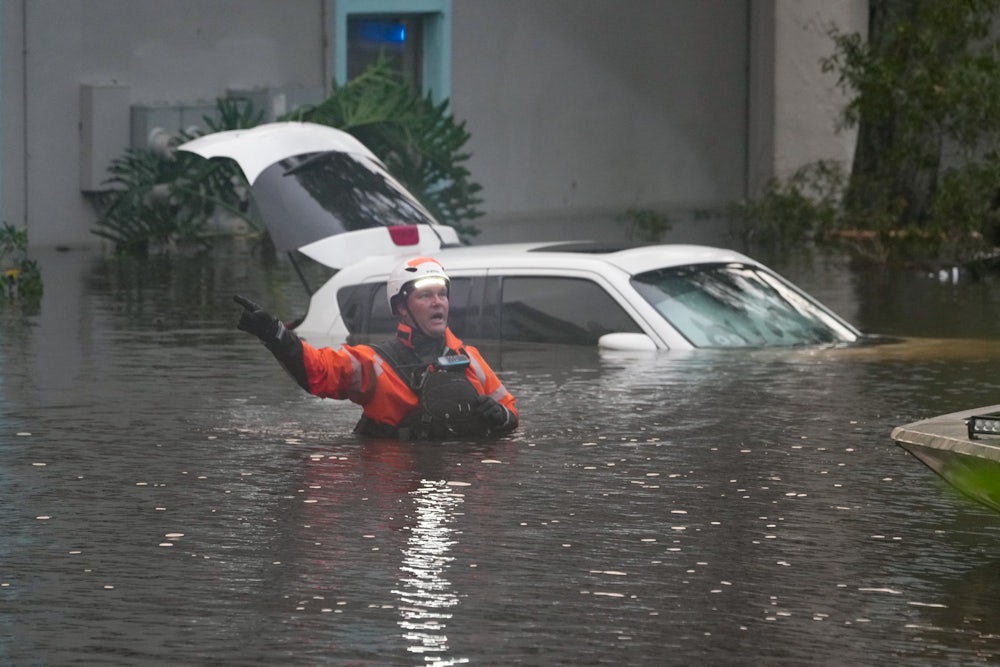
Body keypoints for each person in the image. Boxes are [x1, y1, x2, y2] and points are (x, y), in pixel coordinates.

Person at [234, 256, 518, 439]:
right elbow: (316, 371)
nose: (438, 302)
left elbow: (511, 411)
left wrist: (503, 417)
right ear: (401, 308)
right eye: (426, 295)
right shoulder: (372, 363)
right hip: (395, 490)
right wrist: (275, 332)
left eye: (442, 294)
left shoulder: (470, 359)